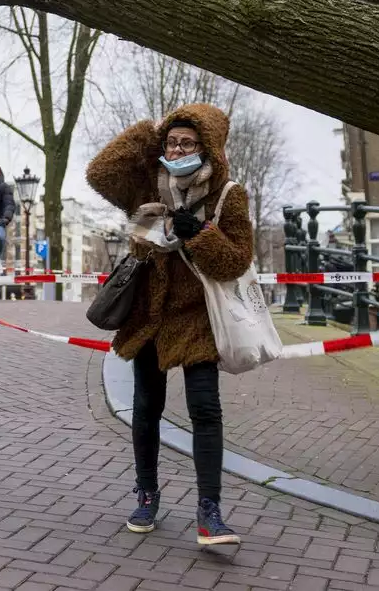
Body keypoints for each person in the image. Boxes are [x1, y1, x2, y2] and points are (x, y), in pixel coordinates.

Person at [85, 103, 254, 546]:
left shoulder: (227, 193)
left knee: (206, 410)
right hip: (150, 314)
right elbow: (100, 172)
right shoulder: (146, 183)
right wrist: (150, 131)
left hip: (197, 315)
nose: (177, 149)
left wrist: (198, 233)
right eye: (172, 141)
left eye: (188, 143)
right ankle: (146, 494)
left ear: (208, 148)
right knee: (146, 408)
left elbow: (237, 259)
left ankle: (210, 510)